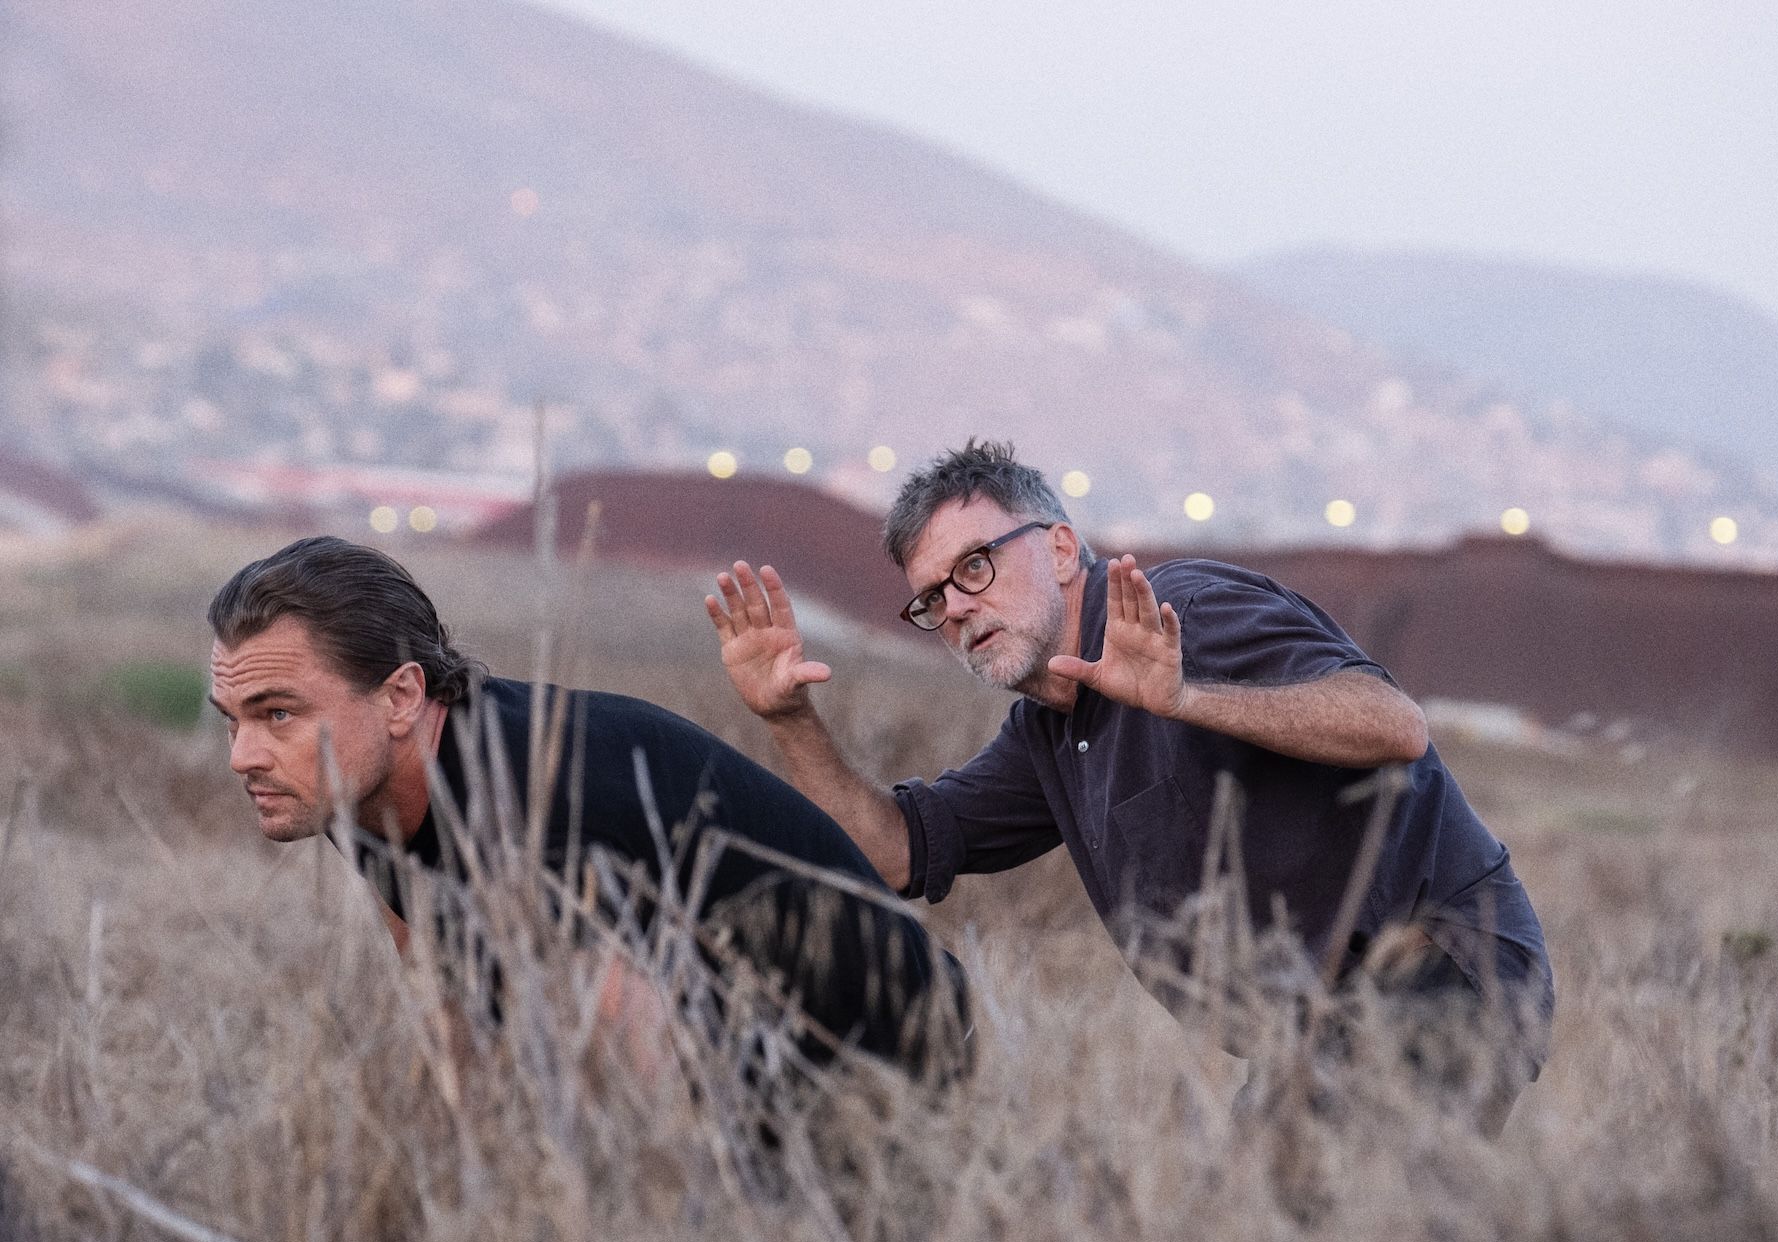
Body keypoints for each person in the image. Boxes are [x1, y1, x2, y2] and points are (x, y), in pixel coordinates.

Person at [707, 440, 1553, 1113]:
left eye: (975, 567)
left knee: (1304, 1239)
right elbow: (895, 852)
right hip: (1315, 1031)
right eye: (932, 600)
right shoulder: (1047, 731)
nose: (957, 607)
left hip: (1441, 969)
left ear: (1063, 548)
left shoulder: (1182, 610)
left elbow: (1394, 726)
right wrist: (789, 721)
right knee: (1256, 1241)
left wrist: (1185, 697)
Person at [206, 535, 968, 1080]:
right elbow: (446, 1007)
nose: (244, 756)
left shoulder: (533, 795)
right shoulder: (362, 779)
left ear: (403, 695)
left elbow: (648, 1102)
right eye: (231, 717)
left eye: (278, 714)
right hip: (738, 1063)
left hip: (898, 1070)